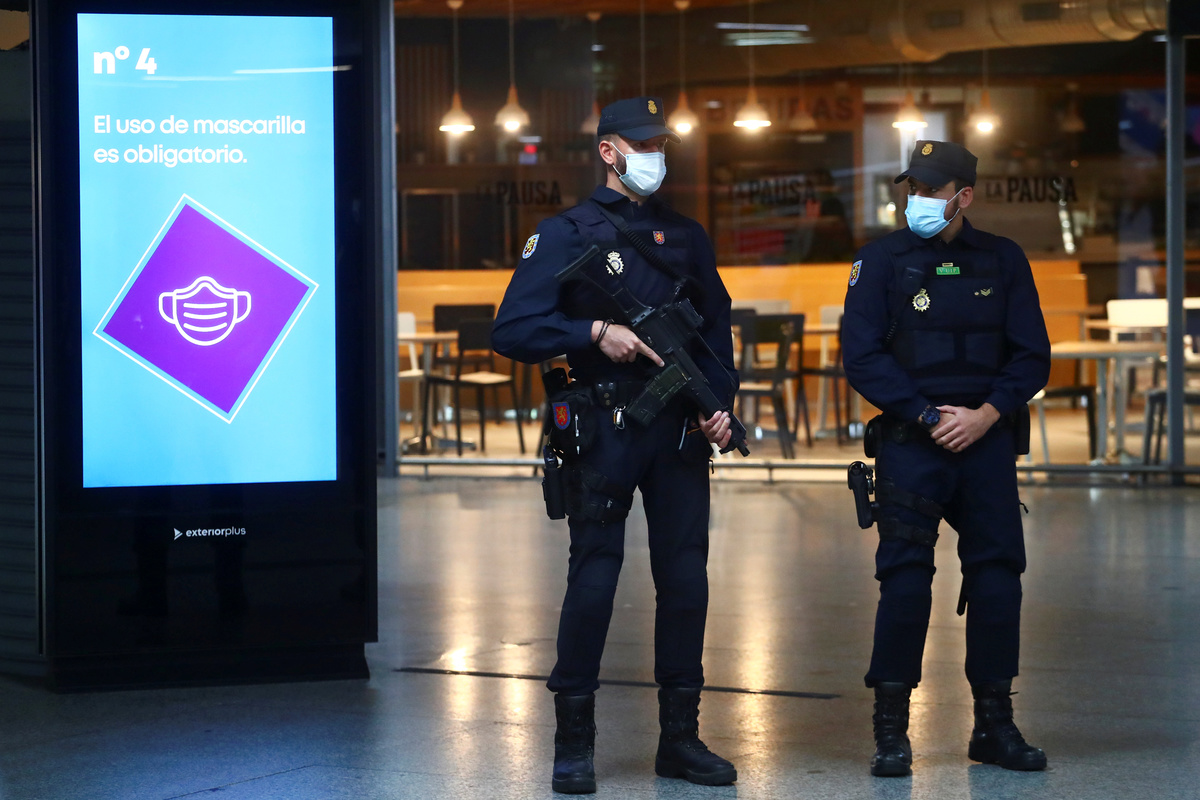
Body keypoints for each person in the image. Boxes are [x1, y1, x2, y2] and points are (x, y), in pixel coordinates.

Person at [492, 96, 738, 794]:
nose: (655, 156)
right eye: (643, 144)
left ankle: (680, 739)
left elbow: (715, 331)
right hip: (604, 428)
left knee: (685, 579)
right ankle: (574, 743)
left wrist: (721, 406)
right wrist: (594, 334)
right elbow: (512, 329)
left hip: (680, 429)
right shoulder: (565, 233)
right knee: (595, 577)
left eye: (661, 145)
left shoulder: (686, 235)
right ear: (609, 151)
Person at [841, 140, 1051, 777]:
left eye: (931, 191)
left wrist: (986, 414)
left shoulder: (1003, 258)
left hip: (985, 442)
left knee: (997, 578)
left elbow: (1032, 355)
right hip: (913, 444)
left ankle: (994, 725)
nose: (918, 201)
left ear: (964, 196)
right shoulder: (879, 260)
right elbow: (862, 356)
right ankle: (890, 730)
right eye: (913, 189)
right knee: (905, 580)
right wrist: (927, 415)